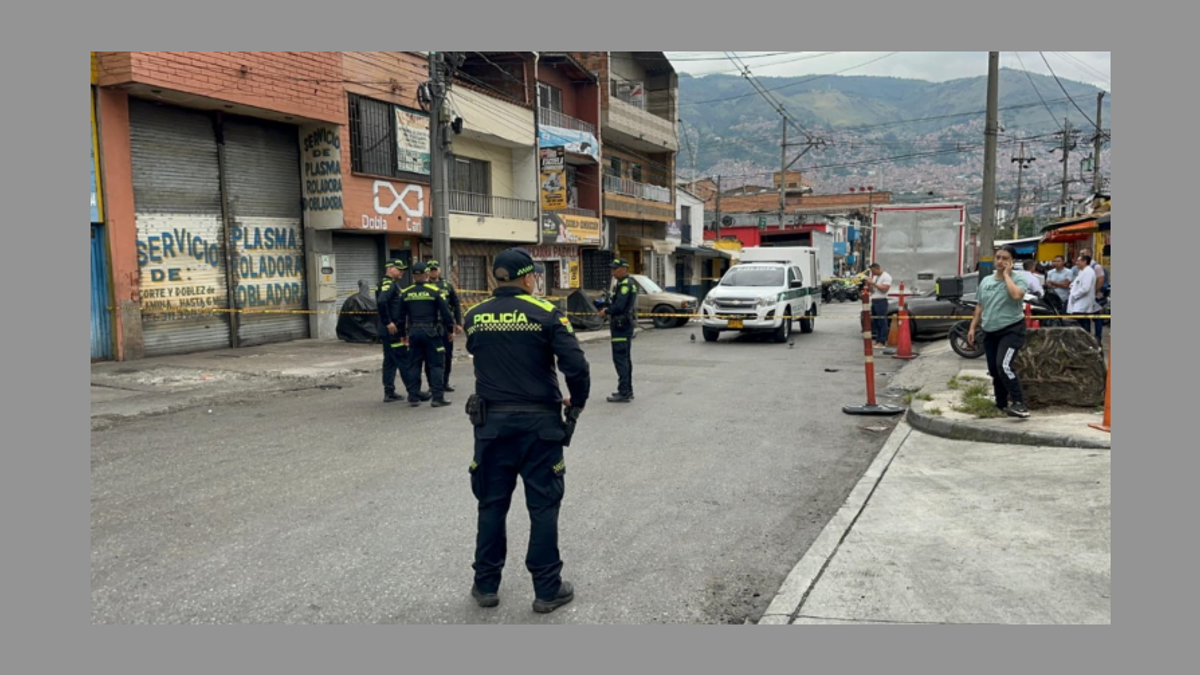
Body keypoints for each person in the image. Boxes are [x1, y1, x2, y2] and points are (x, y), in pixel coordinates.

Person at [463, 247, 590, 613]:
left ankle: (485, 585)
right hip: (540, 427)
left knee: (491, 505)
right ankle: (547, 589)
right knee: (543, 506)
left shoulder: (475, 316)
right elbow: (576, 366)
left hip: (492, 427)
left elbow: (478, 350)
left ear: (495, 277)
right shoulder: (547, 313)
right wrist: (576, 401)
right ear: (528, 277)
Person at [967, 245, 1031, 419]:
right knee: (994, 369)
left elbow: (1017, 295)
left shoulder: (1019, 278)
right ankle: (1001, 403)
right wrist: (973, 327)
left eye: (1005, 258)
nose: (1000, 261)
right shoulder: (986, 281)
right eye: (998, 257)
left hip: (1011, 329)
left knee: (1004, 365)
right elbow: (980, 306)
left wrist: (1007, 276)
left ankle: (1020, 403)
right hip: (989, 330)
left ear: (1012, 261)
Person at [395, 262, 458, 407]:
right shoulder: (435, 291)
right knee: (436, 364)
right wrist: (450, 330)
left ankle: (414, 397)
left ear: (414, 276)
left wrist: (402, 334)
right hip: (431, 332)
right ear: (427, 274)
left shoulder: (406, 292)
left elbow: (400, 316)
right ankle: (437, 398)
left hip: (413, 332)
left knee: (413, 365)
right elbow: (446, 314)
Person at [599, 257, 638, 402]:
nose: (613, 272)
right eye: (612, 269)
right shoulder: (624, 283)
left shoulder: (625, 285)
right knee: (625, 359)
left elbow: (620, 306)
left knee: (621, 359)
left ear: (624, 269)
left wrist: (607, 311)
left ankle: (624, 392)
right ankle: (627, 389)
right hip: (623, 326)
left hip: (621, 327)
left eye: (615, 269)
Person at [375, 260, 414, 404]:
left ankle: (389, 392)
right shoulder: (388, 284)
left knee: (390, 361)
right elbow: (381, 301)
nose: (402, 272)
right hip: (392, 330)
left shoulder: (391, 283)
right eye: (399, 269)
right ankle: (413, 391)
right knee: (403, 359)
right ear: (390, 269)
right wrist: (388, 322)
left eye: (403, 269)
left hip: (388, 330)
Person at [427, 260, 464, 393]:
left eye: (435, 269)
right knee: (430, 356)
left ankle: (445, 382)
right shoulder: (424, 286)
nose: (433, 272)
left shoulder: (447, 285)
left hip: (445, 324)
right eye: (431, 270)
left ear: (440, 270)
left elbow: (456, 304)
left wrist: (458, 323)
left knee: (447, 355)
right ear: (427, 272)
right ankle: (432, 384)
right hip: (430, 325)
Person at [1069, 254, 1100, 340]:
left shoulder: (1088, 272)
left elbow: (1085, 288)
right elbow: (1076, 282)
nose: (1076, 263)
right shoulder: (1082, 271)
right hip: (1078, 302)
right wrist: (1072, 286)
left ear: (1085, 261)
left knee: (1083, 324)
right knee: (1079, 323)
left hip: (1082, 302)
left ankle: (1086, 341)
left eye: (1079, 261)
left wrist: (1075, 295)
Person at [1080, 248, 1107, 341]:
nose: (1081, 255)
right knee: (1085, 316)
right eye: (1080, 254)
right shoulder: (1083, 267)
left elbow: (1101, 280)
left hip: (1095, 297)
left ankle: (1098, 337)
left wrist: (1094, 292)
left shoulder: (1096, 266)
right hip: (1086, 297)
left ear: (1090, 254)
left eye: (1083, 253)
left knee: (1097, 317)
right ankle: (1087, 336)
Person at [866, 263, 892, 349]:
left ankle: (882, 341)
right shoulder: (876, 277)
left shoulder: (886, 276)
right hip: (874, 300)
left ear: (877, 268)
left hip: (881, 301)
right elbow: (872, 291)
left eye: (873, 271)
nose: (873, 273)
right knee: (876, 322)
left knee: (882, 321)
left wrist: (873, 283)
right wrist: (869, 284)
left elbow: (884, 289)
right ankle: (877, 340)